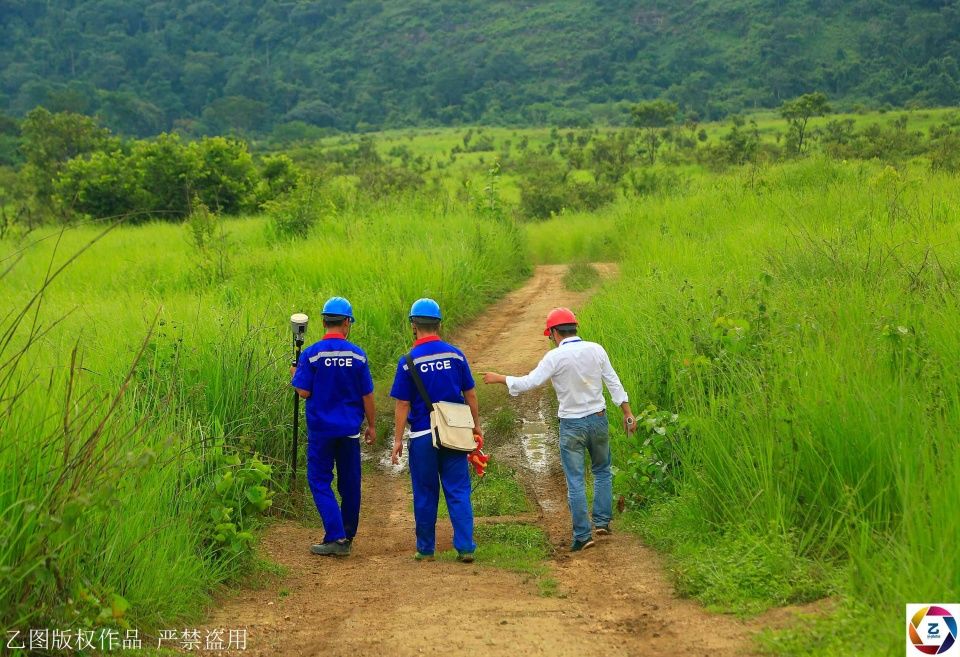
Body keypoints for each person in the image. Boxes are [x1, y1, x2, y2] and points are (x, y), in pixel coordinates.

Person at [483, 307, 636, 552]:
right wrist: (627, 413)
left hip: (571, 424)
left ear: (554, 332)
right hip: (598, 419)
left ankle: (583, 536)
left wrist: (501, 378)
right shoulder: (596, 350)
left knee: (575, 480)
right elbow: (613, 383)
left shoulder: (554, 357)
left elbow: (530, 382)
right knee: (602, 471)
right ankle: (603, 522)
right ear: (575, 328)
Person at [390, 298, 482, 563]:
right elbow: (471, 394)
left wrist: (397, 440)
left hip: (421, 436)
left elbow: (403, 404)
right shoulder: (455, 354)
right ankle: (465, 547)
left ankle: (426, 549)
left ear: (413, 325)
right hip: (454, 433)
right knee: (458, 490)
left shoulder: (407, 362)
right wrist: (475, 426)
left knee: (425, 492)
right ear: (439, 324)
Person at [291, 296, 376, 557]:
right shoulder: (357, 356)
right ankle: (347, 534)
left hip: (320, 431)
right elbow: (367, 395)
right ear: (347, 323)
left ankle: (336, 535)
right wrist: (371, 425)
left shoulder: (311, 354)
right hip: (349, 431)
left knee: (318, 479)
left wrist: (295, 374)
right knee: (350, 483)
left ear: (323, 321)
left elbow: (303, 392)